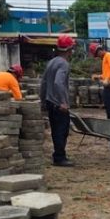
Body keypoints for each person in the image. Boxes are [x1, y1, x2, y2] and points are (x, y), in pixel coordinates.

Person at [40, 35, 75, 166]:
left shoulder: (51, 62)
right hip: (58, 104)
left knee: (55, 130)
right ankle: (60, 158)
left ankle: (58, 155)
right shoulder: (63, 64)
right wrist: (63, 102)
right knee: (62, 130)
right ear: (69, 50)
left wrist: (43, 101)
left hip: (50, 102)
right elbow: (58, 83)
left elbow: (43, 83)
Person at [89, 43, 110, 119]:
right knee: (107, 102)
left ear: (99, 51)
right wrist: (99, 76)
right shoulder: (105, 57)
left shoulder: (108, 55)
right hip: (109, 82)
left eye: (97, 55)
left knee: (109, 102)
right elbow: (107, 73)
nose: (98, 57)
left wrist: (107, 79)